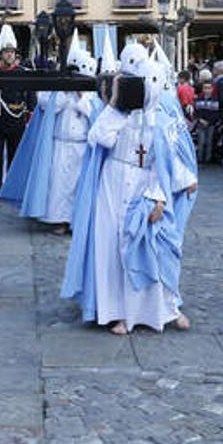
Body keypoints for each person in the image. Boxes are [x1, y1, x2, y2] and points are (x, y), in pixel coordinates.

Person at [61, 41, 196, 334]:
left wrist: (159, 198)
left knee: (151, 248)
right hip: (112, 184)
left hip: (145, 188)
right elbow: (99, 138)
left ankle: (164, 309)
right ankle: (116, 312)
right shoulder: (117, 113)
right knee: (111, 248)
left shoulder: (160, 121)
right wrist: (115, 107)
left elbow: (167, 163)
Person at [0, 43, 99, 229]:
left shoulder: (92, 96)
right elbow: (47, 105)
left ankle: (76, 222)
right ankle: (58, 220)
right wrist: (63, 89)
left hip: (82, 146)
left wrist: (81, 97)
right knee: (59, 186)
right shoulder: (58, 89)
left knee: (78, 186)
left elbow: (93, 115)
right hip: (60, 144)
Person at [0, 25, 35, 202]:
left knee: (15, 157)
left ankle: (12, 190)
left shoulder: (22, 73)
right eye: (6, 52)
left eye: (12, 52)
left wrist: (29, 118)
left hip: (17, 119)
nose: (10, 55)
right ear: (1, 54)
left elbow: (30, 96)